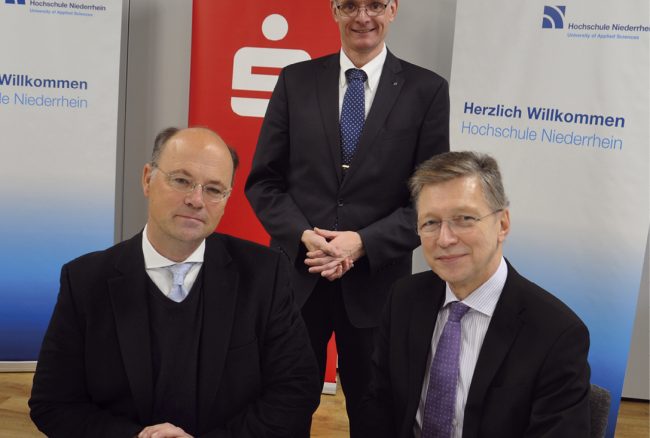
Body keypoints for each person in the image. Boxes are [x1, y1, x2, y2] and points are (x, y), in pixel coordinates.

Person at [29, 127, 321, 438]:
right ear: (147, 179)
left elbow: (296, 390)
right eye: (181, 180)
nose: (196, 200)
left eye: (214, 189)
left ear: (227, 198)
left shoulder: (265, 274)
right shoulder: (85, 281)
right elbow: (54, 403)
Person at [244, 1, 449, 434]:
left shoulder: (426, 90)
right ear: (333, 10)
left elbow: (430, 201)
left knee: (375, 416)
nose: (363, 16)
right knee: (282, 411)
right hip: (297, 279)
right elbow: (263, 183)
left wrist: (362, 243)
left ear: (393, 9)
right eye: (350, 5)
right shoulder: (295, 80)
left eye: (375, 4)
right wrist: (304, 236)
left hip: (378, 289)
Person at [361, 151, 591, 438]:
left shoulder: (556, 333)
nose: (445, 239)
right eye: (430, 223)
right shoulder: (403, 299)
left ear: (502, 224)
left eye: (464, 219)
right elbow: (379, 406)